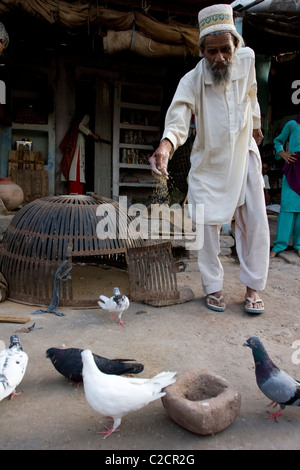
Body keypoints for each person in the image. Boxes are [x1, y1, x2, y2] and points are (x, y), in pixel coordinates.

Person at [149, 4, 269, 314]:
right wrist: (165, 146)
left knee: (255, 220)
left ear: (235, 46)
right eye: (211, 52)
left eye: (225, 50)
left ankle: (253, 287)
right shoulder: (191, 81)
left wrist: (255, 125)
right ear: (201, 51)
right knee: (204, 225)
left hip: (244, 152)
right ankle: (213, 288)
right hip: (209, 162)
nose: (219, 58)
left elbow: (252, 92)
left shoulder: (247, 59)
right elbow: (177, 121)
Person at [270, 117, 300, 258]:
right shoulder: (292, 124)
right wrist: (283, 154)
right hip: (293, 170)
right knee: (287, 208)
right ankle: (279, 246)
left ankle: (298, 245)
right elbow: (278, 141)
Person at [60, 114, 101, 194]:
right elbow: (80, 126)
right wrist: (92, 134)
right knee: (77, 169)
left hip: (79, 144)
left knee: (76, 169)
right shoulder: (86, 116)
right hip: (79, 144)